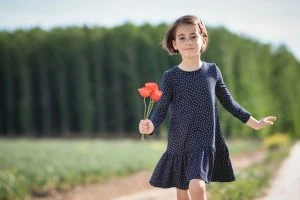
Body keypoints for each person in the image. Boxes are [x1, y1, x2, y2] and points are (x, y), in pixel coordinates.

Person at [138, 15, 276, 200]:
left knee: (197, 187)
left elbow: (229, 102)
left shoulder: (212, 71)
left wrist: (255, 123)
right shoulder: (171, 76)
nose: (188, 42)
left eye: (193, 36)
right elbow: (161, 108)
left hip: (204, 141)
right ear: (175, 44)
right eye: (182, 38)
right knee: (182, 193)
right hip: (179, 142)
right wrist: (151, 126)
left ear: (203, 39)